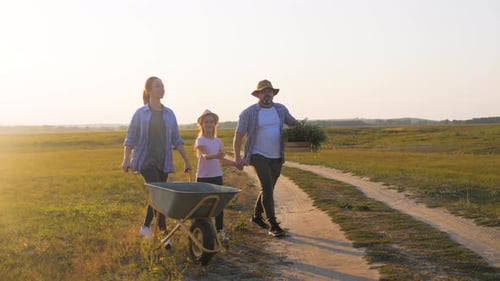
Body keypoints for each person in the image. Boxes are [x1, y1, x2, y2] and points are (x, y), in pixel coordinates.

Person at [121, 76, 192, 248]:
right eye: (158, 86)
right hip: (146, 161)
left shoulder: (169, 114)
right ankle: (165, 234)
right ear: (149, 91)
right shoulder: (140, 114)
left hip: (164, 162)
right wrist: (126, 159)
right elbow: (130, 137)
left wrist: (187, 161)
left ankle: (146, 227)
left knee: (157, 197)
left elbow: (177, 138)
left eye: (163, 86)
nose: (162, 89)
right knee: (160, 196)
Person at [233, 79, 298, 237]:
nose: (267, 94)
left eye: (269, 91)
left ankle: (256, 216)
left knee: (268, 188)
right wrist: (237, 157)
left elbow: (293, 123)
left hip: (277, 156)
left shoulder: (280, 109)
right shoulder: (248, 113)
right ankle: (273, 224)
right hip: (257, 155)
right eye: (263, 91)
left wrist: (305, 129)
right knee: (267, 188)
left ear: (273, 94)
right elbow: (239, 135)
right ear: (258, 95)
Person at [194, 109, 241, 241]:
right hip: (203, 177)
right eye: (206, 122)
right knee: (202, 206)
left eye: (212, 122)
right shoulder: (200, 140)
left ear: (215, 124)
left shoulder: (218, 141)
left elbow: (221, 160)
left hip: (217, 176)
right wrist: (215, 155)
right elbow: (204, 156)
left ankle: (220, 231)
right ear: (202, 125)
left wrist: (234, 164)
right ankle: (200, 232)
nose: (209, 124)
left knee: (218, 205)